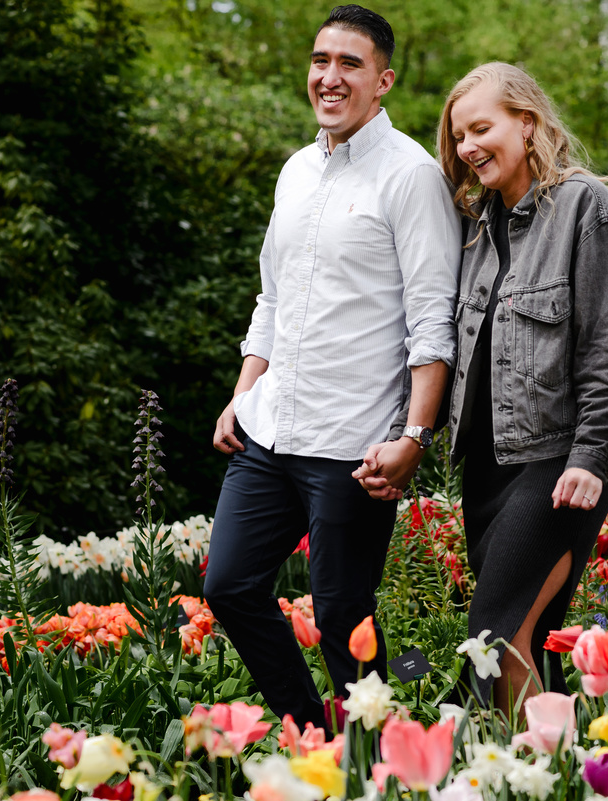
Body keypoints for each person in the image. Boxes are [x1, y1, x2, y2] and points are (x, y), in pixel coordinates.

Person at [204, 5, 460, 730]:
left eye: (350, 64)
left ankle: (377, 755)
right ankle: (309, 730)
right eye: (321, 60)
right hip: (269, 432)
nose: (330, 76)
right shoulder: (296, 171)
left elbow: (431, 320)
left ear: (383, 80)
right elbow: (272, 298)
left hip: (353, 446)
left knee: (346, 615)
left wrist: (415, 434)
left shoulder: (410, 175)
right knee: (228, 585)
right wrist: (242, 392)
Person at [362, 62, 608, 713]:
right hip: (486, 473)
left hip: (555, 464)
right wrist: (409, 435)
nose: (466, 148)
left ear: (528, 121)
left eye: (480, 128)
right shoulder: (477, 230)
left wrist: (593, 455)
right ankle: (569, 766)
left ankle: (524, 768)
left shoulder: (585, 209)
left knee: (493, 640)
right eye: (458, 136)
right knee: (527, 641)